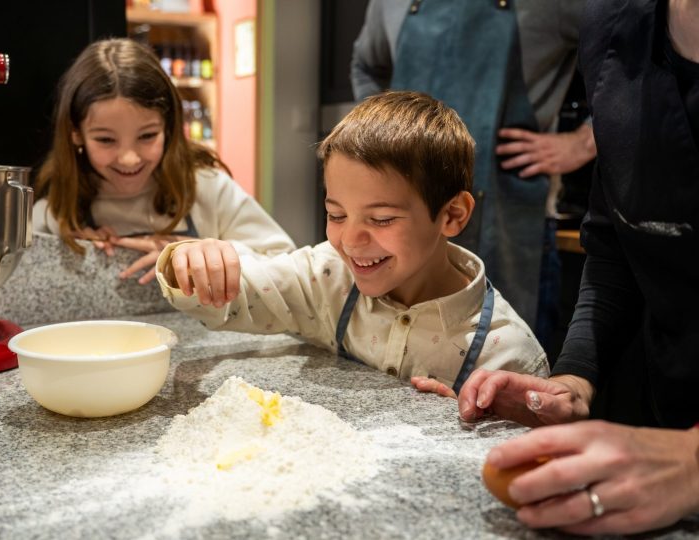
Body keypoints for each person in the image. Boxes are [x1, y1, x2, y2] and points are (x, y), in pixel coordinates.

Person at [457, 0, 699, 534]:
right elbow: (617, 243)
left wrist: (691, 462)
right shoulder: (614, 26)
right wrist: (575, 379)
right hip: (672, 403)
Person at [155, 91, 549, 395]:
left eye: (381, 219)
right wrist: (190, 262)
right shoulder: (329, 279)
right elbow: (238, 295)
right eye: (336, 215)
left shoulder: (507, 353)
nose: (350, 239)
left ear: (452, 215)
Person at [350, 0, 597, 341]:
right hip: (398, 228)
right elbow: (366, 65)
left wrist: (583, 142)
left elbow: (638, 59)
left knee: (504, 376)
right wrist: (377, 135)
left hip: (508, 228)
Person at [33, 38, 295, 285]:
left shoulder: (207, 188)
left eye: (147, 136)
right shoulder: (54, 210)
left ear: (169, 128)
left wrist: (210, 255)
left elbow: (288, 266)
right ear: (76, 134)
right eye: (106, 140)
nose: (129, 158)